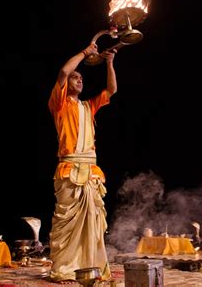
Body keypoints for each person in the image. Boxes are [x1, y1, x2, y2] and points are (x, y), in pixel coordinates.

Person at [47, 43, 117, 283]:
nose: (79, 80)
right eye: (76, 78)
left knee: (92, 224)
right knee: (66, 223)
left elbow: (112, 89)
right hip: (69, 168)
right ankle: (65, 268)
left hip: (91, 171)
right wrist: (85, 53)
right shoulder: (59, 104)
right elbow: (64, 72)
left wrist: (108, 62)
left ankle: (89, 266)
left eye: (82, 78)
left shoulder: (89, 106)